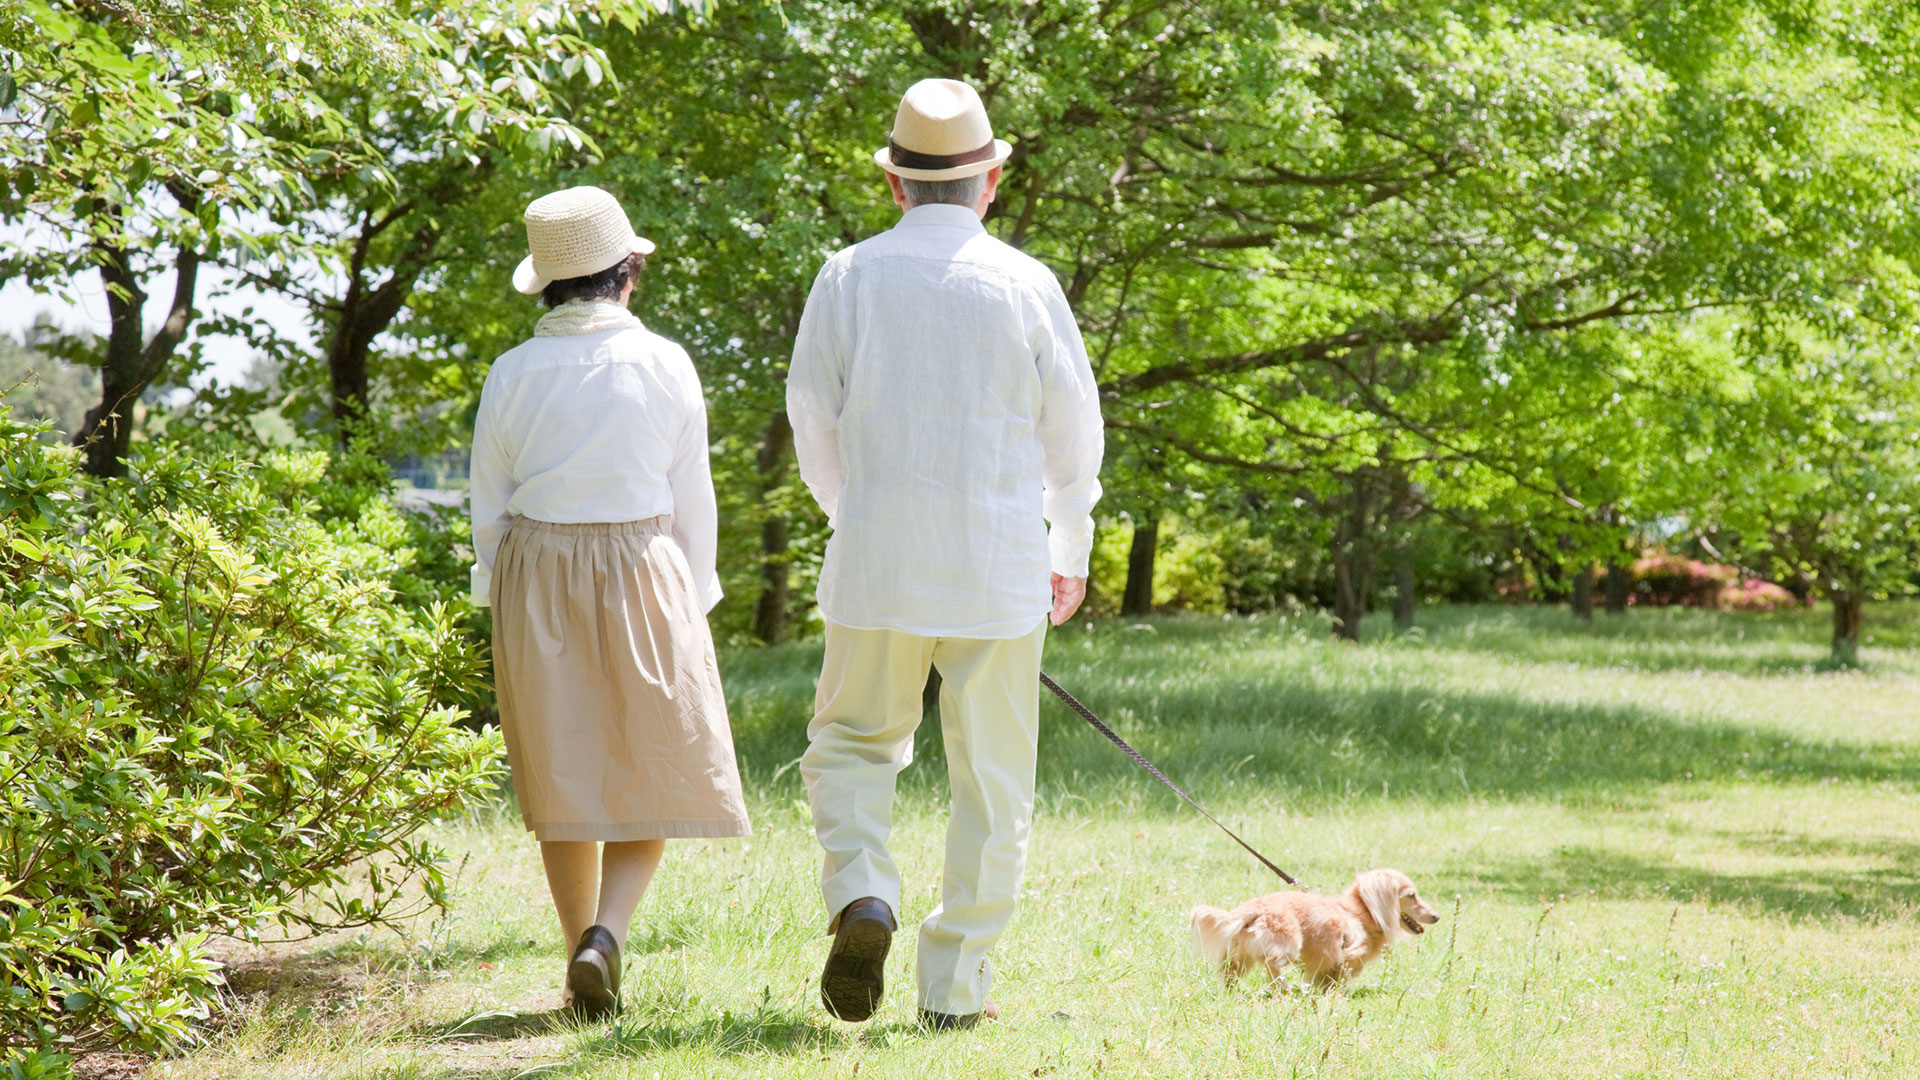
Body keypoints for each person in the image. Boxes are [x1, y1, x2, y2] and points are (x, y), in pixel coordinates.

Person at [787, 78, 1105, 1031]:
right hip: (999, 565)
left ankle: (864, 894)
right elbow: (1073, 436)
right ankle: (956, 989)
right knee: (993, 785)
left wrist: (859, 512)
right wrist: (1071, 539)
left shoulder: (846, 275)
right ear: (992, 179)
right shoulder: (1025, 283)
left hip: (877, 561)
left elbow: (812, 418)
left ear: (894, 185)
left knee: (850, 745)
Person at [469, 186, 751, 1019]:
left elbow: (490, 502)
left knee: (566, 770)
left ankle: (574, 957)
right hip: (643, 561)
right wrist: (696, 598)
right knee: (652, 763)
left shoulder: (512, 371)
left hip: (536, 569)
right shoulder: (666, 362)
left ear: (548, 285)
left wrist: (501, 598)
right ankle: (608, 935)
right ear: (628, 274)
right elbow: (690, 495)